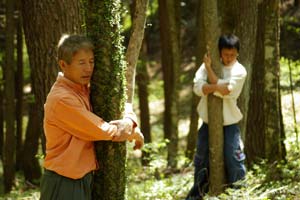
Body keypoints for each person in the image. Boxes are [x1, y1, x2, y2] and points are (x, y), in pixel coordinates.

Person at [40, 34, 144, 200]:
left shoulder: (83, 90)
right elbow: (102, 130)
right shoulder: (62, 99)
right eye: (81, 62)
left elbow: (122, 104)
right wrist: (131, 130)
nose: (88, 68)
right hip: (64, 182)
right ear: (63, 65)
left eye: (91, 61)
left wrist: (131, 122)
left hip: (79, 179)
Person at [186, 34, 247, 200]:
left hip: (230, 122)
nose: (228, 58)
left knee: (233, 157)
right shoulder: (207, 63)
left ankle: (238, 194)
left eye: (232, 55)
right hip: (208, 122)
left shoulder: (239, 70)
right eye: (226, 54)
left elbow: (228, 91)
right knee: (201, 159)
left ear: (237, 53)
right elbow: (197, 88)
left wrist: (210, 79)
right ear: (220, 51)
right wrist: (217, 86)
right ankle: (197, 195)